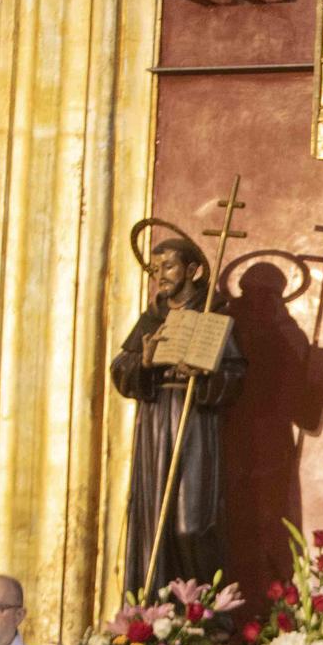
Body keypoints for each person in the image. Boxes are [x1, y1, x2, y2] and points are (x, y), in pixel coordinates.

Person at [110, 236, 247, 594]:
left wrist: (204, 374)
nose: (160, 276)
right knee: (154, 523)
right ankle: (156, 614)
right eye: (155, 269)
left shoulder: (212, 314)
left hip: (193, 422)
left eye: (167, 267)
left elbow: (234, 376)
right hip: (155, 422)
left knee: (190, 523)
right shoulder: (153, 317)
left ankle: (205, 615)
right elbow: (120, 370)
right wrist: (143, 361)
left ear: (191, 269)